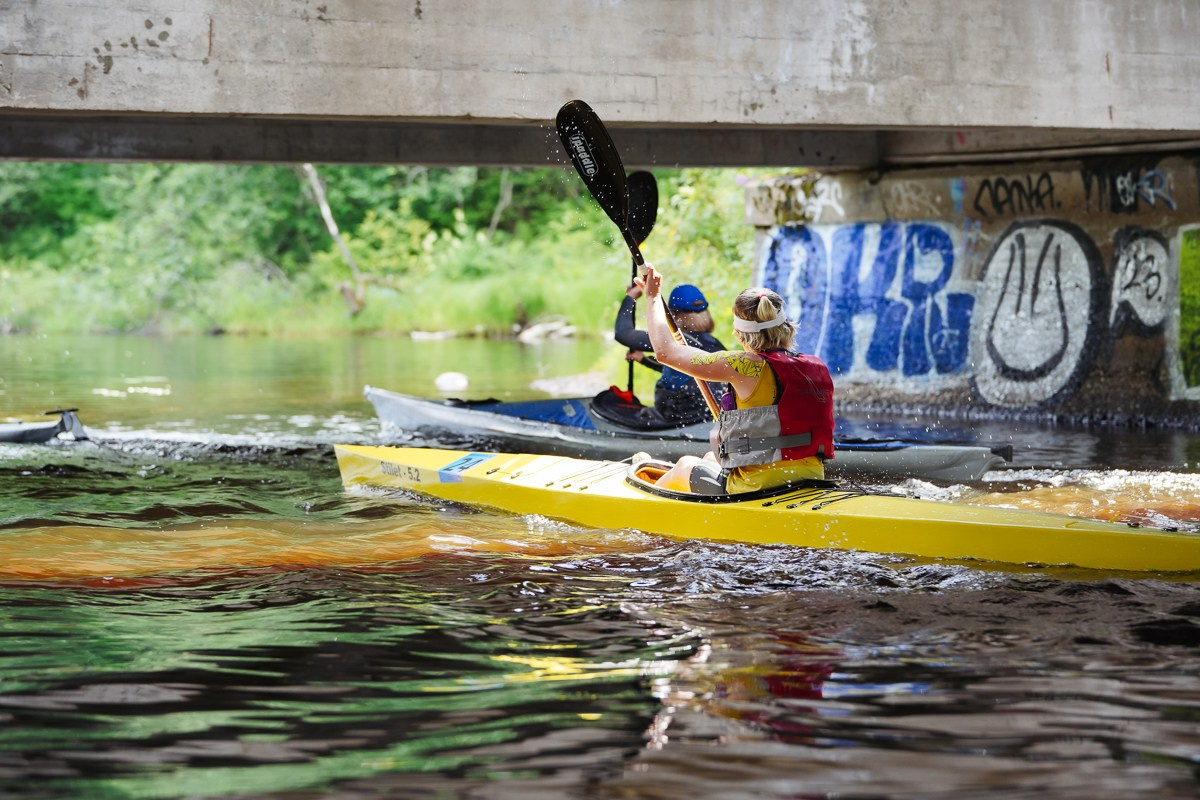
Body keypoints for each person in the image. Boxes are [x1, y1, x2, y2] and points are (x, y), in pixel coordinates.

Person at [636, 264, 835, 495]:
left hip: (759, 486)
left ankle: (641, 504)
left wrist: (652, 298)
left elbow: (664, 353)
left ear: (740, 333)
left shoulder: (744, 366)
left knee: (684, 466)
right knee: (711, 457)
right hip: (811, 478)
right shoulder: (816, 365)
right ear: (787, 327)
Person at [614, 280, 727, 423]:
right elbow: (686, 372)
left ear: (673, 315)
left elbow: (623, 334)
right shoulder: (715, 344)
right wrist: (644, 360)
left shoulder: (674, 340)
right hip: (707, 418)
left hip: (678, 420)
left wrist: (630, 297)